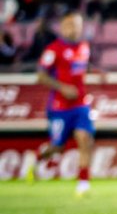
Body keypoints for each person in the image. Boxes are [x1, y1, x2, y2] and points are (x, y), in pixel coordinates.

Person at [23, 12, 105, 196]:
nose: (74, 29)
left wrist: (97, 71)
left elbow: (82, 65)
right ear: (63, 27)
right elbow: (41, 76)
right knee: (57, 146)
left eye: (77, 25)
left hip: (81, 104)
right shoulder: (53, 50)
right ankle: (36, 158)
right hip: (60, 107)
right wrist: (62, 87)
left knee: (85, 140)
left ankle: (83, 185)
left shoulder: (84, 47)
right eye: (70, 25)